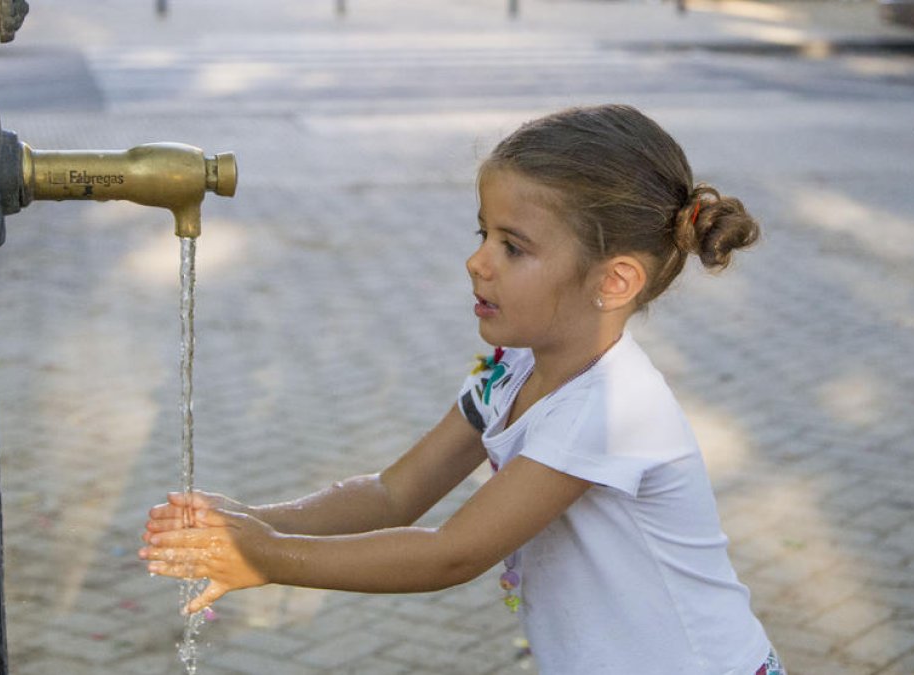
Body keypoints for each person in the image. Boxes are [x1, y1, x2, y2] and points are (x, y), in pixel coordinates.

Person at [139, 104, 784, 674]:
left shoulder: (615, 408)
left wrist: (269, 558)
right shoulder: (508, 369)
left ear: (614, 281)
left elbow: (453, 554)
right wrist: (252, 523)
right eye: (484, 234)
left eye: (514, 247)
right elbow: (393, 493)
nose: (478, 262)